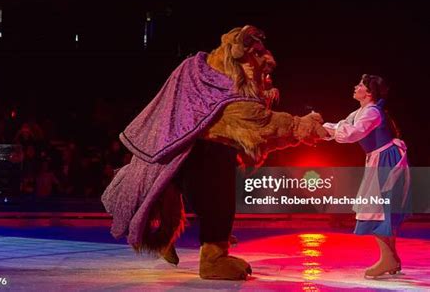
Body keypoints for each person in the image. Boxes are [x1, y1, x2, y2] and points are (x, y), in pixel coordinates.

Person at [102, 25, 327, 280]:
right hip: (209, 156)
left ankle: (166, 237)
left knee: (181, 196)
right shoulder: (225, 89)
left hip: (186, 152)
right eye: (257, 60)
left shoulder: (197, 71)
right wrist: (300, 127)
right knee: (218, 206)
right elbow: (261, 125)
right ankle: (213, 260)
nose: (263, 73)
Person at [323, 74, 411, 278]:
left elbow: (352, 134)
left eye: (360, 85)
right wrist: (323, 129)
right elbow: (343, 125)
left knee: (375, 207)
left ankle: (387, 258)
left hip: (385, 160)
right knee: (381, 207)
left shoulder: (372, 112)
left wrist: (328, 131)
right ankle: (392, 258)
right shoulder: (361, 111)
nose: (356, 86)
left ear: (369, 92)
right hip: (380, 158)